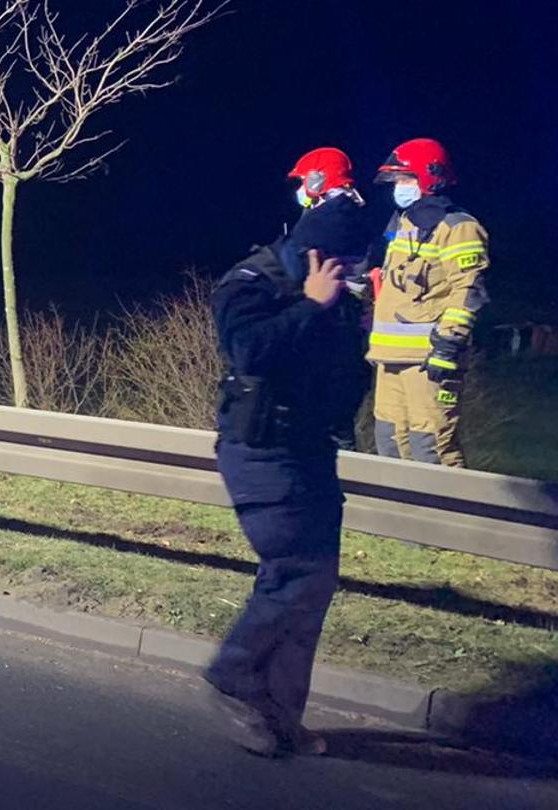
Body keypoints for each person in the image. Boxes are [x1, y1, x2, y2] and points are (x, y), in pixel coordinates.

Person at [203, 179, 374, 758]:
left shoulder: (337, 293)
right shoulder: (250, 284)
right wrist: (312, 305)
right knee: (297, 568)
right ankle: (233, 673)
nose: (352, 272)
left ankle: (278, 716)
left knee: (314, 582)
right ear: (317, 253)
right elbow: (250, 351)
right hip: (260, 450)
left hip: (310, 450)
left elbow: (344, 371)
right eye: (347, 262)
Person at [364, 138, 489, 466]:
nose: (400, 187)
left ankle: (453, 518)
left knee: (432, 449)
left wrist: (448, 345)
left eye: (406, 179)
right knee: (390, 446)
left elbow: (469, 289)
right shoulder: (404, 223)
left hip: (430, 360)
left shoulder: (459, 228)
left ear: (429, 178)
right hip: (390, 357)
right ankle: (398, 518)